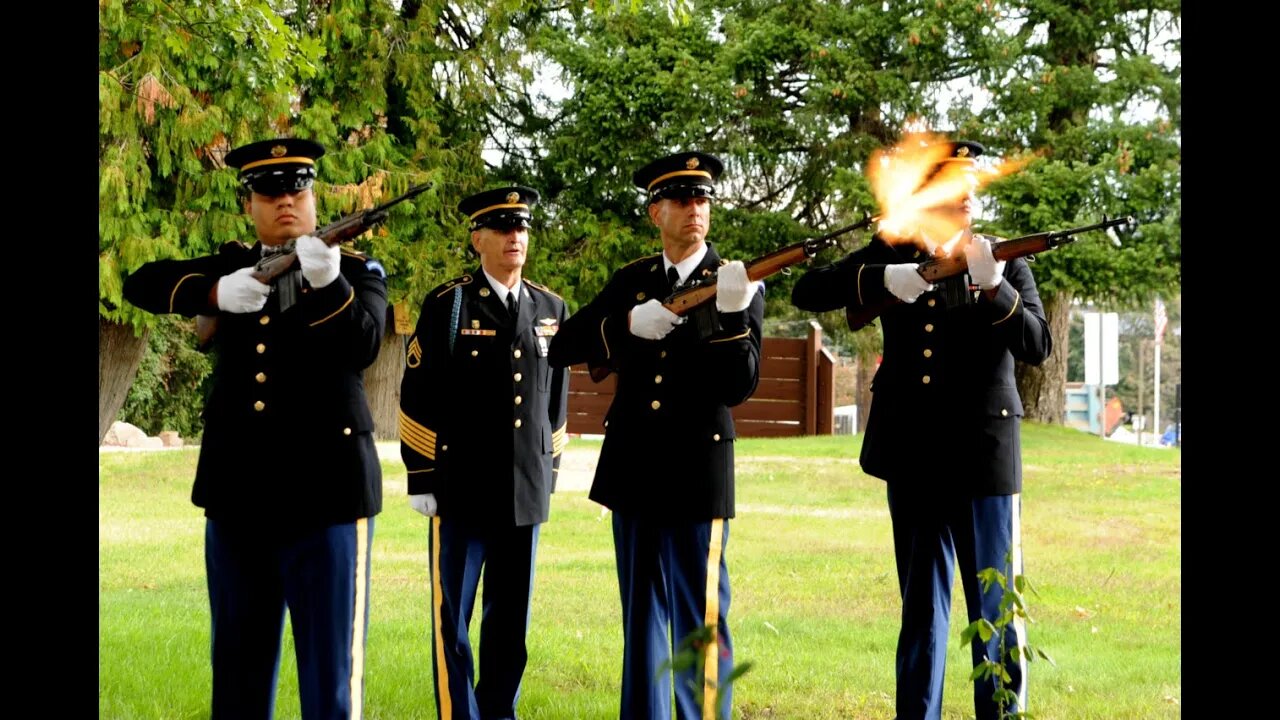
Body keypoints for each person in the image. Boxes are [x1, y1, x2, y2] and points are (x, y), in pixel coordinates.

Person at [122, 137, 388, 719]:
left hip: (328, 502)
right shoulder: (233, 265)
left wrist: (329, 283)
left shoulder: (358, 271)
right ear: (250, 205)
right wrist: (215, 291)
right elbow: (138, 282)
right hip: (240, 501)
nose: (285, 201)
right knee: (238, 681)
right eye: (269, 191)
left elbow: (365, 344)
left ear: (314, 196)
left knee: (332, 688)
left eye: (297, 188)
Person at [790, 140, 1050, 720]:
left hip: (983, 457)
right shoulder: (894, 248)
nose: (964, 200)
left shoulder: (1003, 259)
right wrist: (888, 277)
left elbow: (1038, 345)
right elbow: (808, 289)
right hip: (912, 454)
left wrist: (995, 288)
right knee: (922, 612)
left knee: (996, 609)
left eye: (969, 190)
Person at [548, 151, 764, 720]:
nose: (697, 209)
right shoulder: (633, 281)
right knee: (642, 620)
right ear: (656, 212)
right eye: (683, 200)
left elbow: (739, 385)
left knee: (701, 622)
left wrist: (734, 315)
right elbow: (561, 345)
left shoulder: (736, 283)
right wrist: (624, 326)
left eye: (704, 199)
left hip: (698, 474)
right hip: (635, 470)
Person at [398, 185, 569, 720]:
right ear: (478, 239)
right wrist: (421, 475)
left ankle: (499, 712)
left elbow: (557, 398)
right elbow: (417, 390)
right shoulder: (449, 304)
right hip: (461, 488)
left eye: (521, 228)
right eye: (502, 228)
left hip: (524, 488)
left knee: (510, 620)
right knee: (453, 619)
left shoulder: (551, 307)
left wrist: (551, 467)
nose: (515, 237)